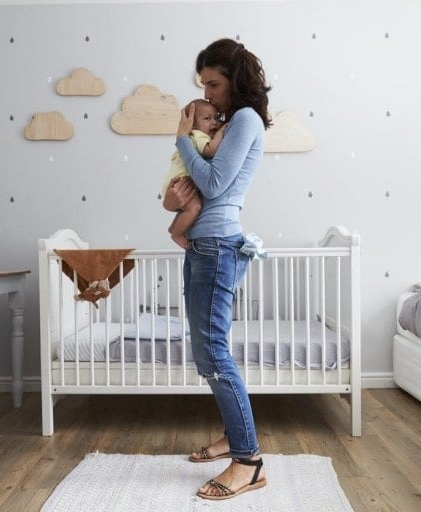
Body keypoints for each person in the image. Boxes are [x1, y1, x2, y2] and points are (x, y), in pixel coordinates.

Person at [163, 38, 272, 501]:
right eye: (202, 84)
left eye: (214, 84)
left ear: (236, 80)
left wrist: (180, 140)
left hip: (217, 244)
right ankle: (232, 435)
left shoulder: (245, 119)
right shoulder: (225, 123)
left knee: (214, 356)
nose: (206, 94)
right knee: (206, 351)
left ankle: (247, 460)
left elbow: (210, 181)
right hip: (203, 244)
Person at [161, 99, 224, 249]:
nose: (214, 123)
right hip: (181, 181)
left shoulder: (194, 136)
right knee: (194, 208)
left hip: (177, 180)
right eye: (208, 119)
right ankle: (177, 234)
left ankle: (173, 226)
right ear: (193, 125)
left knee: (188, 208)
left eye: (217, 118)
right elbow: (210, 150)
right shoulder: (197, 135)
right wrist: (222, 132)